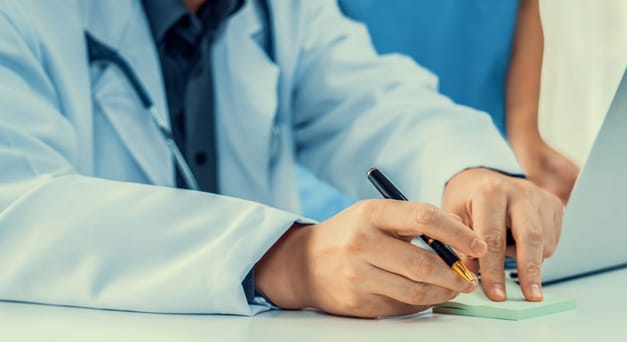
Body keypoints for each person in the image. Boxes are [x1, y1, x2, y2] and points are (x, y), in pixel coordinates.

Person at [0, 0, 562, 318]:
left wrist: (470, 171)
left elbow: (373, 99)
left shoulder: (278, 10)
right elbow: (16, 207)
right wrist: (281, 258)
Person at [297, 0, 580, 221]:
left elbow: (521, 7)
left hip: (472, 145)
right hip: (348, 156)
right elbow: (327, 78)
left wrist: (524, 134)